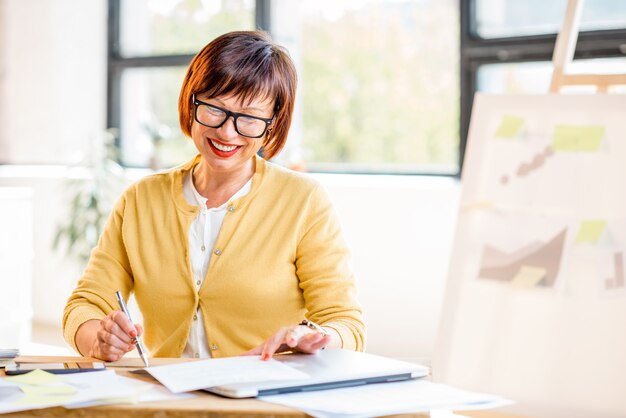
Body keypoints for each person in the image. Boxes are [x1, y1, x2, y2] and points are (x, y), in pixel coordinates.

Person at [62, 30, 365, 361]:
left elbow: (346, 324)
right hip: (168, 399)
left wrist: (312, 336)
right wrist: (97, 338)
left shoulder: (303, 200)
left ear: (272, 123)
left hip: (263, 401)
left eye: (249, 118)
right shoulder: (140, 200)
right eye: (214, 109)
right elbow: (85, 304)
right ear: (191, 102)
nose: (226, 132)